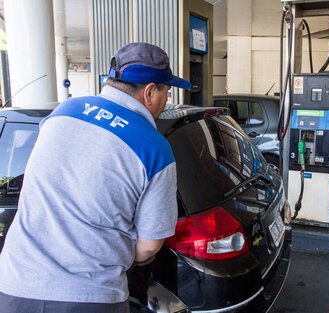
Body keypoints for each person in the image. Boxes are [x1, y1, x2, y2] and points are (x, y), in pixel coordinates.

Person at [0, 42, 191, 313]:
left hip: (14, 286)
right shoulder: (154, 148)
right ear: (149, 92)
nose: (166, 101)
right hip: (90, 296)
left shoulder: (63, 112)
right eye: (166, 92)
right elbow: (149, 247)